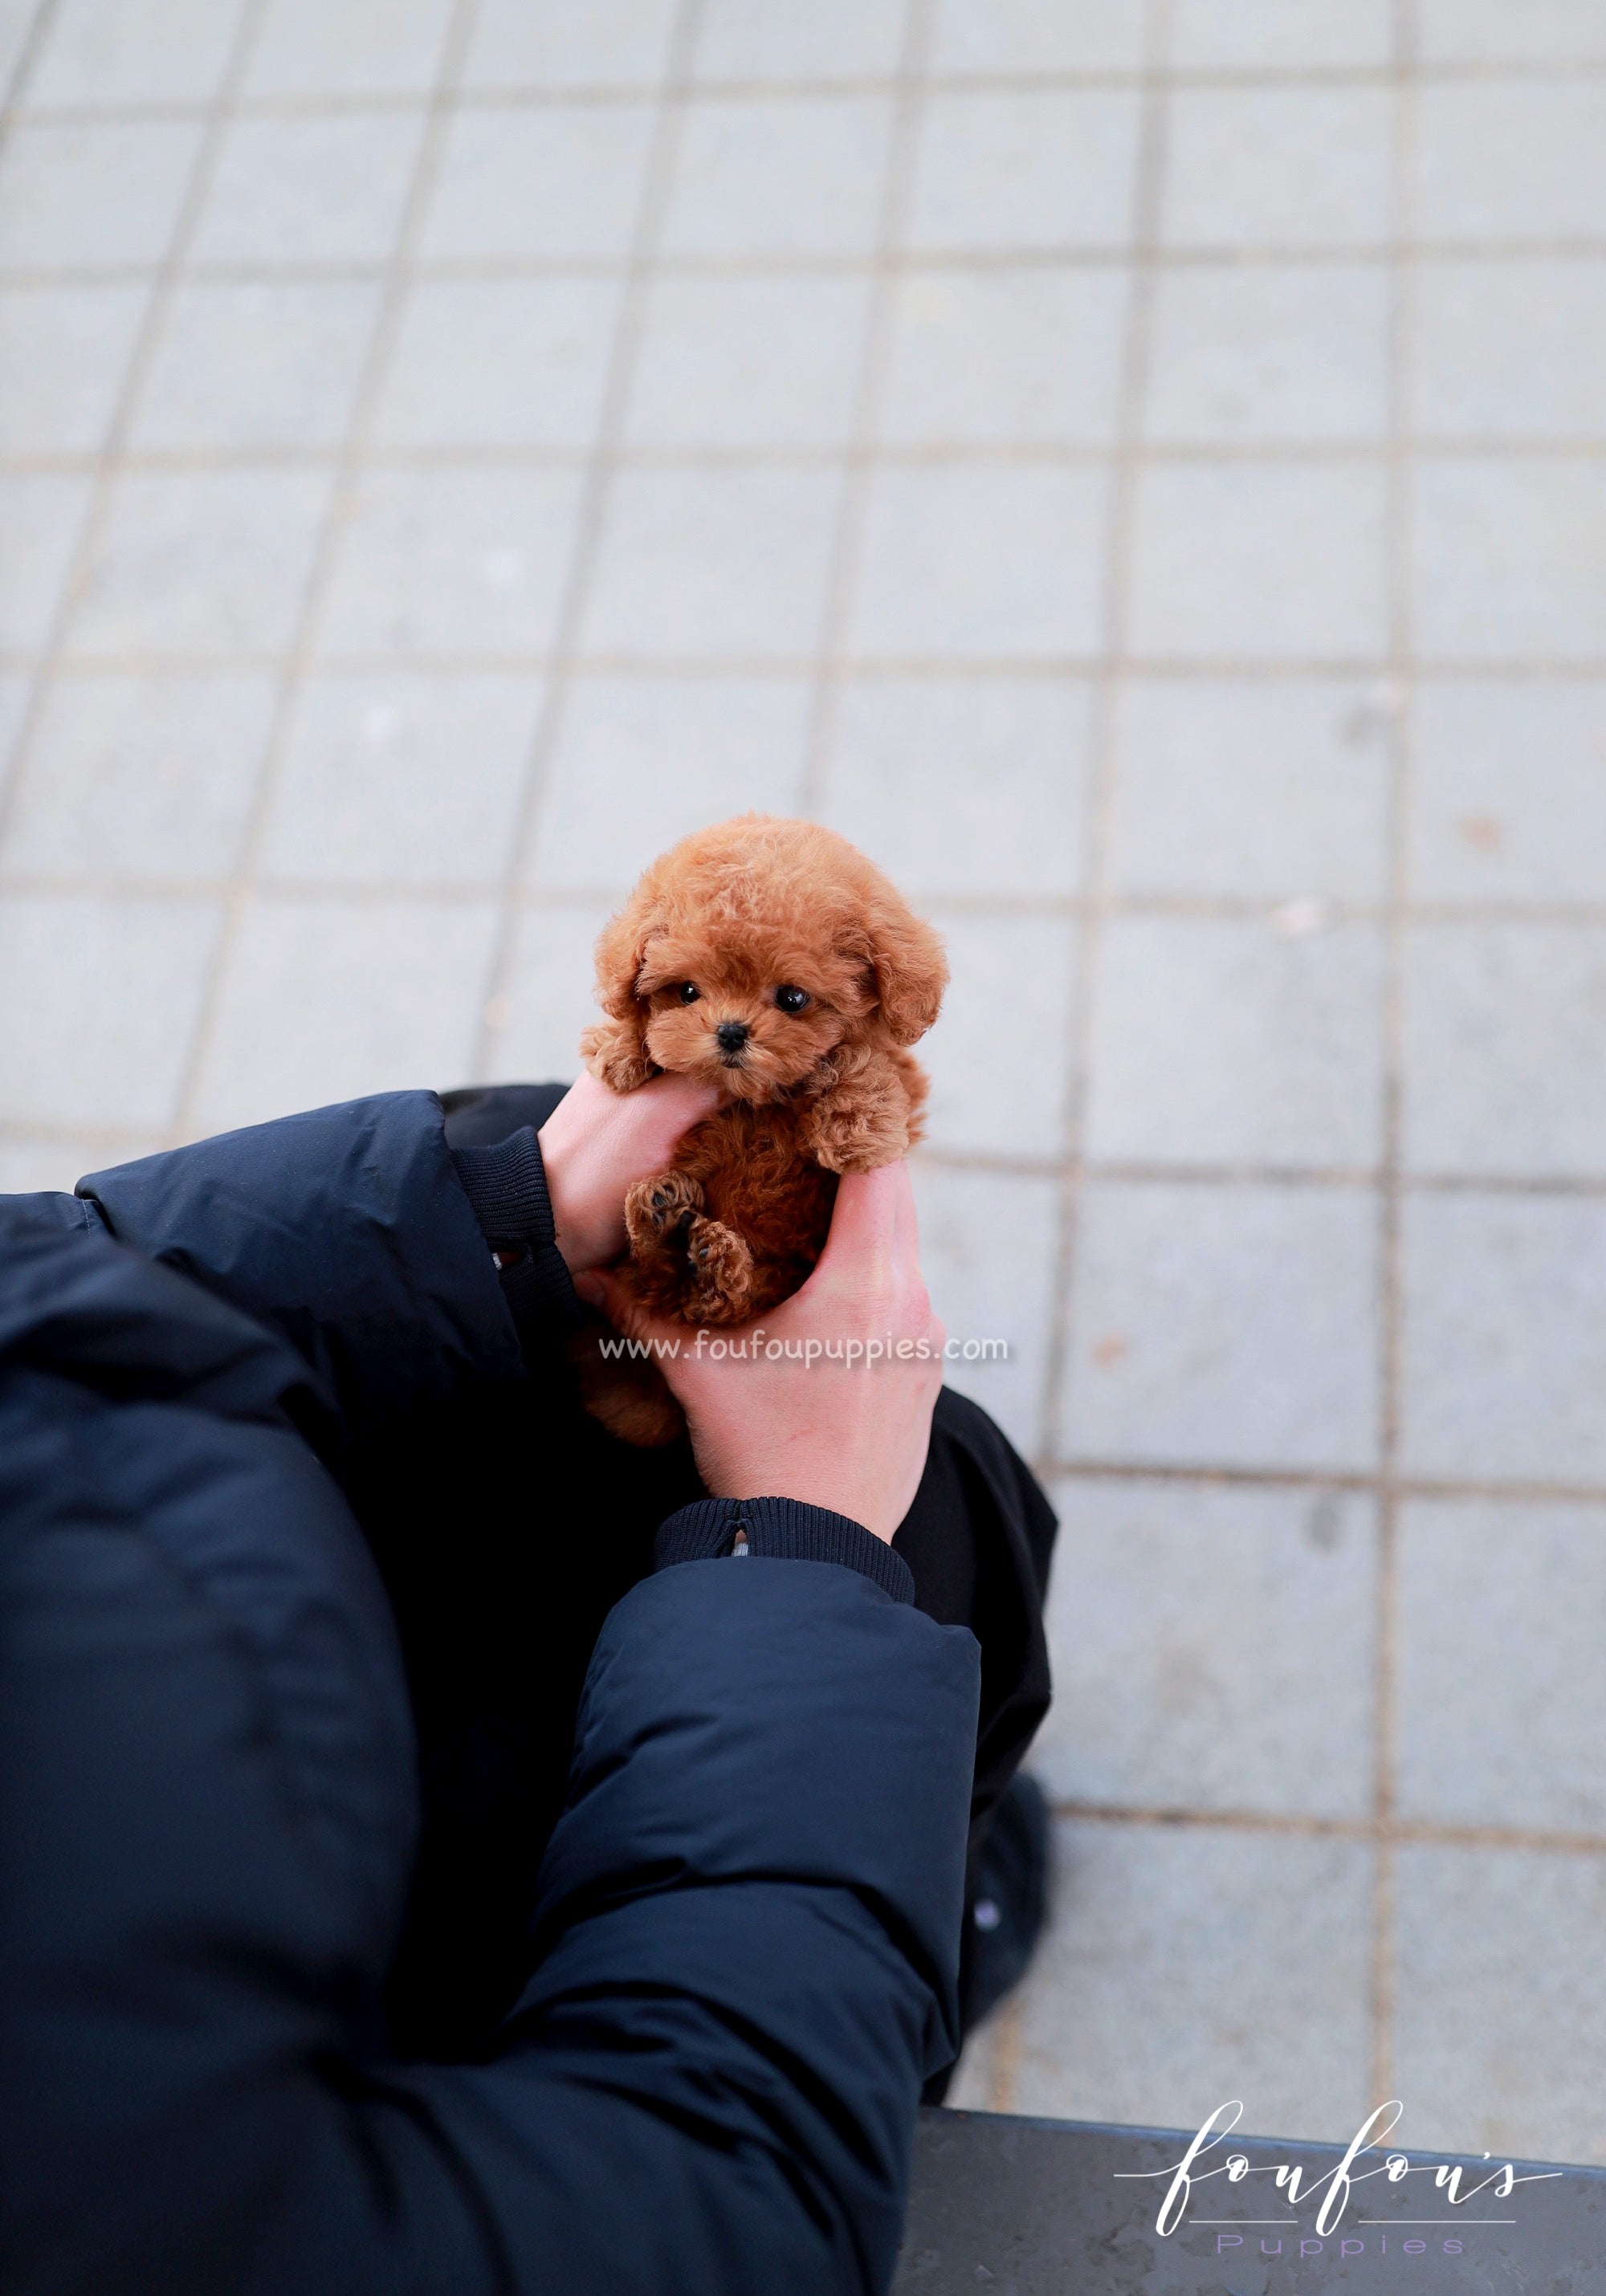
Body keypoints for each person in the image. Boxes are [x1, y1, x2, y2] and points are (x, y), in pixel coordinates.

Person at [0, 1077, 1056, 2296]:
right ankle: (935, 1926)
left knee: (536, 1170)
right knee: (912, 1549)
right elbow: (727, 2196)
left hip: (230, 1601)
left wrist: (487, 1221)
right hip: (411, 1988)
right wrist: (799, 1545)